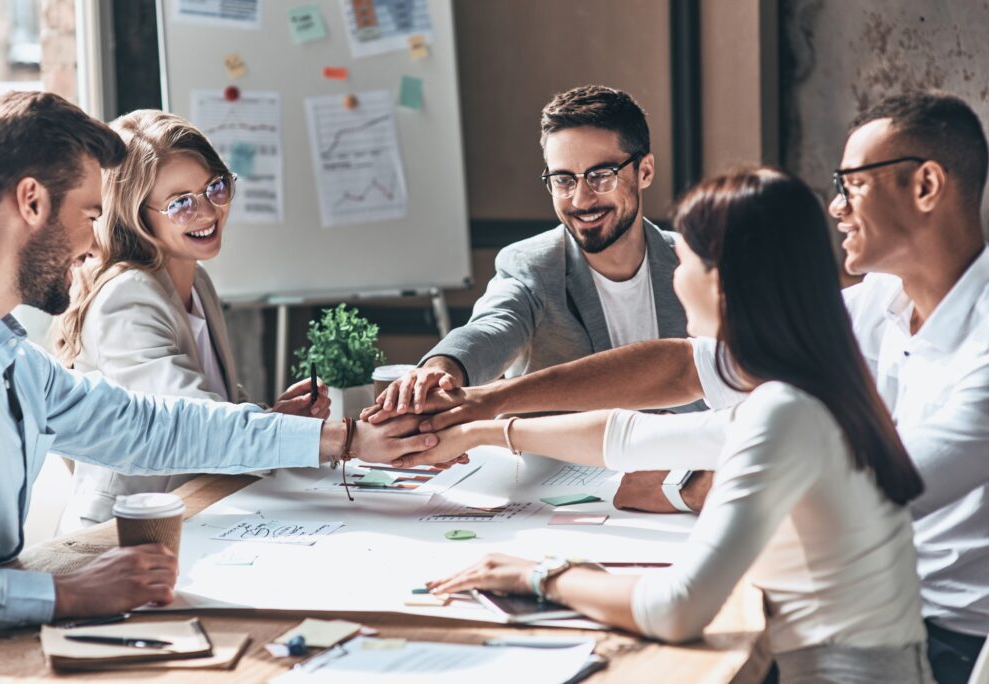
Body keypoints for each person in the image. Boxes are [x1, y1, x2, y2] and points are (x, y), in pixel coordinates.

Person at [375, 91, 989, 683]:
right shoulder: (858, 318)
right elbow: (662, 408)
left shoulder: (800, 404)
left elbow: (872, 487)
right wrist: (485, 419)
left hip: (940, 639)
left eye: (851, 184)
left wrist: (547, 572)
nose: (672, 273)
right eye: (563, 178)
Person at [0, 91, 438, 633]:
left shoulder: (16, 362)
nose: (96, 244)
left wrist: (341, 439)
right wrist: (62, 593)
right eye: (90, 214)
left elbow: (150, 425)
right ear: (31, 202)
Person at [52, 110, 330, 531]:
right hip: (123, 536)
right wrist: (324, 439)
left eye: (214, 188)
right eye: (181, 203)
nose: (207, 211)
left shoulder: (195, 280)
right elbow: (189, 428)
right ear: (136, 216)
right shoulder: (126, 299)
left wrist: (272, 416)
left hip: (194, 512)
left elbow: (208, 409)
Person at [373, 85, 694, 415]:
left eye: (600, 176)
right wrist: (441, 368)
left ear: (645, 171)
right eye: (563, 180)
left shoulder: (694, 264)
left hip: (690, 461)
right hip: (569, 465)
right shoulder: (532, 267)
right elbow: (490, 327)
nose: (581, 200)